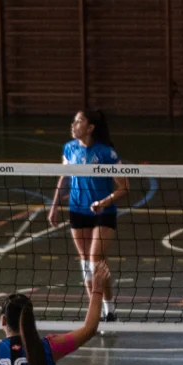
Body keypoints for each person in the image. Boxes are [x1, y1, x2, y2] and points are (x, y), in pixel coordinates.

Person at [48, 110, 127, 321]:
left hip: (103, 212)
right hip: (77, 210)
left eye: (79, 121)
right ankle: (96, 311)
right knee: (86, 262)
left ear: (90, 127)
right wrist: (54, 206)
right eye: (74, 121)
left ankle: (110, 310)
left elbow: (124, 187)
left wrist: (104, 202)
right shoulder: (69, 149)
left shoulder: (106, 153)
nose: (73, 124)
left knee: (96, 259)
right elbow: (64, 178)